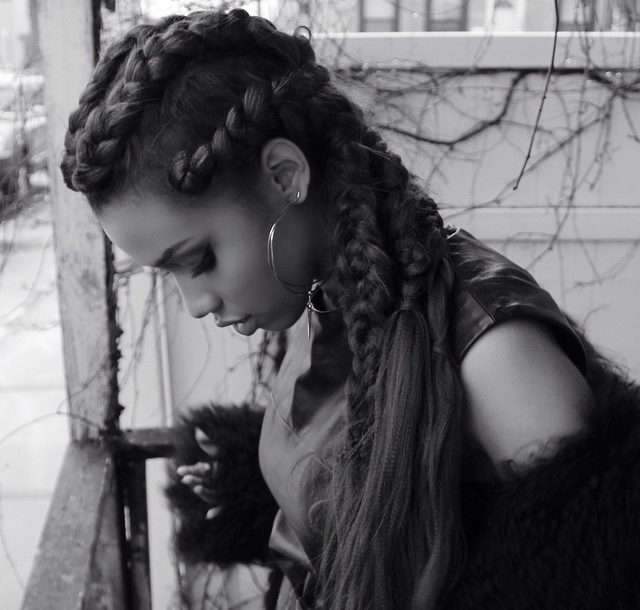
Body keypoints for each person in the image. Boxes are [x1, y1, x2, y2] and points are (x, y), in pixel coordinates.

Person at [61, 9, 640, 610]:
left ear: (285, 176)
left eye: (199, 258)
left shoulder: (494, 353)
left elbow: (591, 566)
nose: (195, 303)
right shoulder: (331, 297)